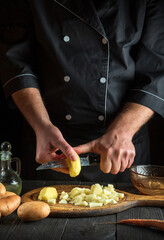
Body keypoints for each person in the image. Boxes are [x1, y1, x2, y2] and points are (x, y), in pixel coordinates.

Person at [0, 0, 164, 182]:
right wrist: (42, 126)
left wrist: (124, 132)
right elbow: (16, 64)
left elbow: (157, 71)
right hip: (51, 142)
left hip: (121, 146)